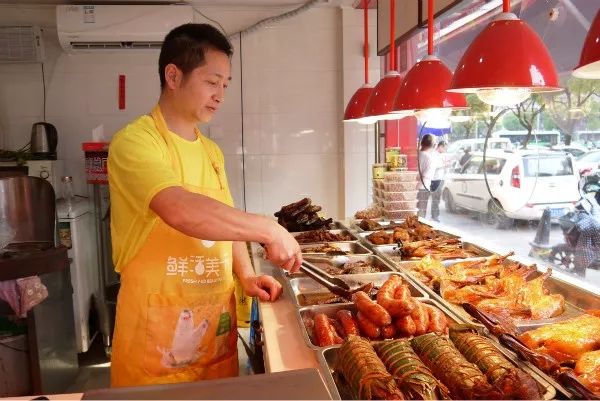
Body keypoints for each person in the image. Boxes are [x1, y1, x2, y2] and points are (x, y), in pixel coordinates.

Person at [107, 23, 302, 388]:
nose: (220, 95)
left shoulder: (210, 152)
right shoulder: (135, 142)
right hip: (155, 347)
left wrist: (245, 275)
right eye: (212, 82)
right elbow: (179, 208)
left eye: (225, 85)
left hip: (214, 336)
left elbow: (223, 224)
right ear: (173, 75)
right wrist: (268, 228)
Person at [417, 134, 440, 218]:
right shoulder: (429, 158)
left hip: (412, 189)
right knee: (420, 216)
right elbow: (426, 177)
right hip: (423, 189)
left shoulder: (415, 154)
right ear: (433, 145)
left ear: (422, 142)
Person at [430, 141, 447, 222]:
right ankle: (434, 216)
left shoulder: (441, 155)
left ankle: (435, 215)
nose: (444, 150)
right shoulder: (434, 155)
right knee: (435, 198)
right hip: (435, 179)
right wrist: (444, 165)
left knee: (437, 198)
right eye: (444, 148)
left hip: (440, 179)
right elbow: (434, 166)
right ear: (440, 146)